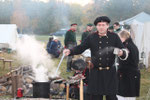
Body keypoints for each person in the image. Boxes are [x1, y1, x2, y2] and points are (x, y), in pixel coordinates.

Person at [63, 16, 128, 100]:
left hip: (110, 73)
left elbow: (123, 49)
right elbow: (81, 47)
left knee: (111, 97)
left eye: (103, 25)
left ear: (107, 26)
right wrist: (70, 51)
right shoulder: (91, 37)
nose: (101, 27)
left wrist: (121, 53)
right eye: (99, 25)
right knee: (95, 97)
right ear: (96, 26)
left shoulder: (114, 36)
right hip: (96, 73)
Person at [117, 30, 140, 100]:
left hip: (126, 74)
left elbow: (124, 56)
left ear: (122, 37)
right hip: (134, 73)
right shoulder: (134, 46)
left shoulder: (125, 46)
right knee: (131, 94)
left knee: (123, 95)